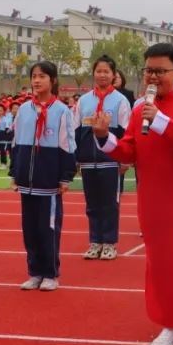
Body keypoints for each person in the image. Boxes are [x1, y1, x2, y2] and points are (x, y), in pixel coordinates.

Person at [89, 43, 173, 345]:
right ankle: (169, 322)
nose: (153, 76)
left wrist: (161, 121)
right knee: (160, 263)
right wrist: (104, 137)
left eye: (160, 71)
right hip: (153, 199)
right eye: (149, 70)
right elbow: (129, 151)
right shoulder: (139, 111)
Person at [10, 61, 77, 293]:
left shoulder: (62, 111)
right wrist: (14, 172)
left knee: (47, 229)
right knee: (29, 229)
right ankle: (34, 272)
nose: (37, 80)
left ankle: (50, 273)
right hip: (26, 183)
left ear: (53, 80)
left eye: (42, 76)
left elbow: (67, 145)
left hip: (48, 182)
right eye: (34, 76)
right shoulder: (24, 110)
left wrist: (65, 176)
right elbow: (16, 142)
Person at [76, 55, 133, 260]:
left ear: (113, 74)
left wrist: (125, 158)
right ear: (93, 73)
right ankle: (95, 241)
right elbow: (76, 131)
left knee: (110, 204)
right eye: (98, 71)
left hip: (111, 161)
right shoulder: (83, 100)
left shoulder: (121, 101)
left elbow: (127, 133)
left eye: (106, 71)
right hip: (89, 161)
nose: (102, 75)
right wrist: (77, 158)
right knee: (92, 204)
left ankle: (109, 243)